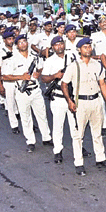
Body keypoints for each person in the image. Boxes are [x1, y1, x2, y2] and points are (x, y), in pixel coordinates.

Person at [61, 38, 106, 176]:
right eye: (85, 47)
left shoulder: (97, 65)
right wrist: (69, 101)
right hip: (80, 103)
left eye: (89, 47)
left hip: (96, 100)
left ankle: (100, 158)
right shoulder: (73, 66)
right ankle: (79, 163)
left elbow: (102, 84)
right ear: (79, 50)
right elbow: (64, 84)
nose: (88, 49)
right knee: (78, 135)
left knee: (97, 132)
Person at [3, 34, 52, 152]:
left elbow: (41, 67)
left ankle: (46, 138)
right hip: (22, 91)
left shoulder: (34, 57)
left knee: (42, 115)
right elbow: (5, 76)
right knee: (26, 117)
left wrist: (38, 74)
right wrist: (22, 77)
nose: (23, 44)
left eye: (25, 41)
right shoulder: (12, 59)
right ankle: (30, 141)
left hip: (35, 90)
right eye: (20, 42)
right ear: (17, 45)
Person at [41, 36, 73, 164]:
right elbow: (43, 78)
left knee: (75, 125)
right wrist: (55, 75)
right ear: (53, 47)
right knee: (58, 126)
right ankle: (58, 151)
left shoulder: (72, 56)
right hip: (58, 96)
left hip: (71, 95)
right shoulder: (49, 61)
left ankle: (79, 147)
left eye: (61, 44)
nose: (59, 46)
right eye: (56, 45)